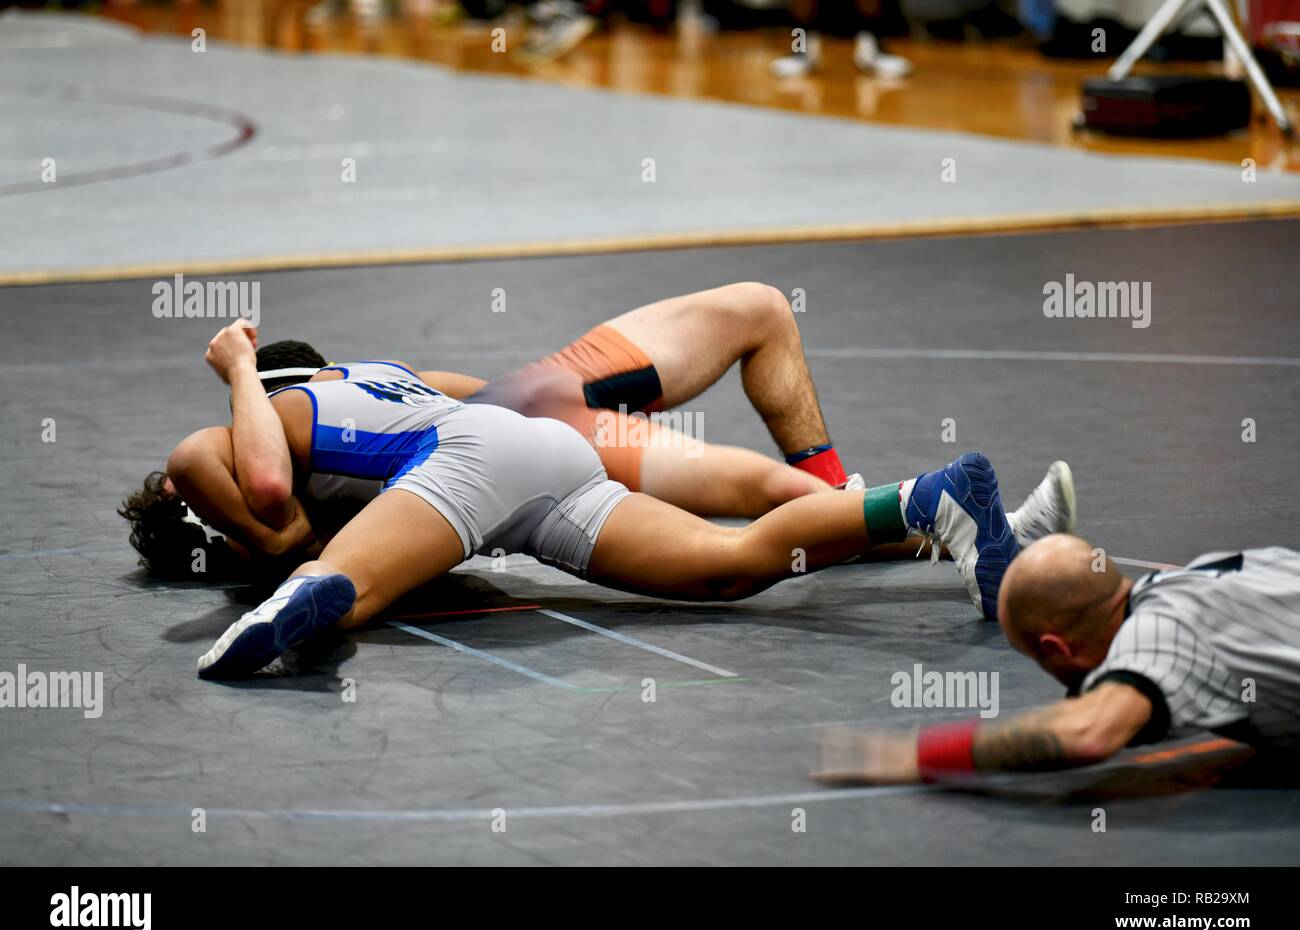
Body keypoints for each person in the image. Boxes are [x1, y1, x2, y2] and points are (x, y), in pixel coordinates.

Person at [181, 319, 1032, 679]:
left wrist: (236, 373)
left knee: (346, 591)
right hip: (544, 459)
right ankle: (930, 499)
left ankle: (284, 614)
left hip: (467, 468)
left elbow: (263, 491)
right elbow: (506, 403)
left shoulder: (248, 425)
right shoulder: (390, 376)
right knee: (730, 565)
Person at [122, 284, 1075, 580]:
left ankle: (928, 520)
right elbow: (466, 403)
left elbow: (455, 413)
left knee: (748, 524)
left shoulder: (294, 437)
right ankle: (946, 525)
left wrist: (243, 376)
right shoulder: (318, 423)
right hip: (527, 406)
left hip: (520, 415)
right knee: (759, 333)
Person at [814, 533, 1300, 786]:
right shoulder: (1189, 580)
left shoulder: (1161, 638)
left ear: (1056, 650)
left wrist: (919, 754)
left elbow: (1085, 733)